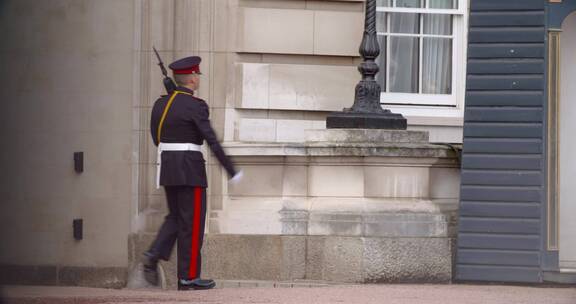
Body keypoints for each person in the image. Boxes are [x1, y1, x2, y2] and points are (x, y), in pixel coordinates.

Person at [143, 55, 241, 290]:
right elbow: (210, 139)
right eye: (197, 75)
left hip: (167, 166)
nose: (198, 78)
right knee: (193, 223)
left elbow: (157, 138)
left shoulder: (160, 104)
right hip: (190, 168)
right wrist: (230, 169)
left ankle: (154, 253)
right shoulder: (195, 106)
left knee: (176, 217)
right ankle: (188, 277)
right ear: (193, 79)